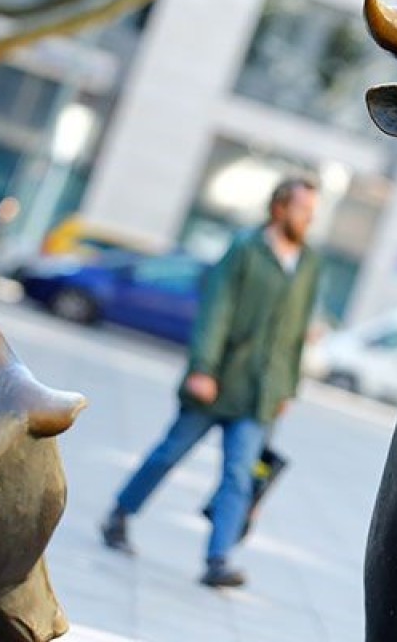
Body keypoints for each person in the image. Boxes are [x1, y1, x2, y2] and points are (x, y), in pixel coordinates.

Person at [100, 177, 322, 588]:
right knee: (169, 454)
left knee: (239, 475)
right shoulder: (244, 250)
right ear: (278, 209)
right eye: (303, 210)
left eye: (312, 212)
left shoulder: (309, 262)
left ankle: (217, 560)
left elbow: (297, 331)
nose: (309, 219)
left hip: (261, 394)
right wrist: (202, 368)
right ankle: (119, 514)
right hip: (218, 382)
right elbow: (215, 312)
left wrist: (287, 388)